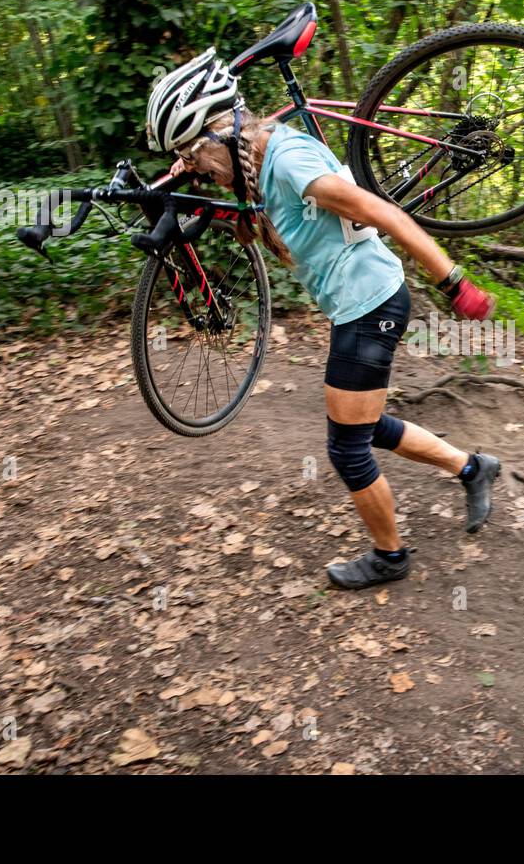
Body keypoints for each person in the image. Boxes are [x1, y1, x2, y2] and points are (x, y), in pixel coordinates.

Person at [147, 49, 501, 589]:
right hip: (360, 304)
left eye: (196, 157)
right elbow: (255, 208)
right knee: (366, 427)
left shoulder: (288, 162)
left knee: (347, 446)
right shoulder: (258, 162)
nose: (197, 170)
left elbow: (384, 212)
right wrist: (185, 174)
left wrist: (454, 283)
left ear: (219, 137)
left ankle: (391, 557)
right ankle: (474, 469)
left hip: (371, 306)